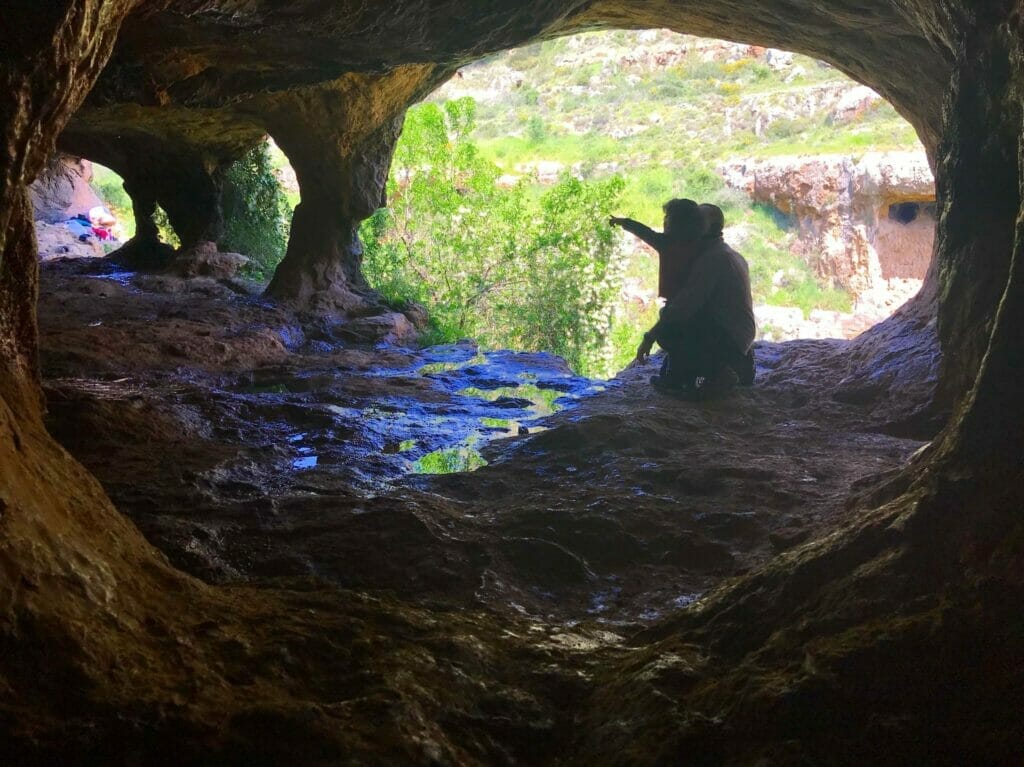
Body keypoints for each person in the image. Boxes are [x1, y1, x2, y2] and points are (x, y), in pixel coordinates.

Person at [612, 201, 756, 398]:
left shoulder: (712, 260)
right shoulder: (724, 253)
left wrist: (650, 337)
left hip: (728, 339)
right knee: (671, 322)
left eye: (698, 220)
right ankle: (734, 364)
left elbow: (684, 307)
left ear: (709, 228)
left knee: (669, 331)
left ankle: (712, 376)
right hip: (737, 336)